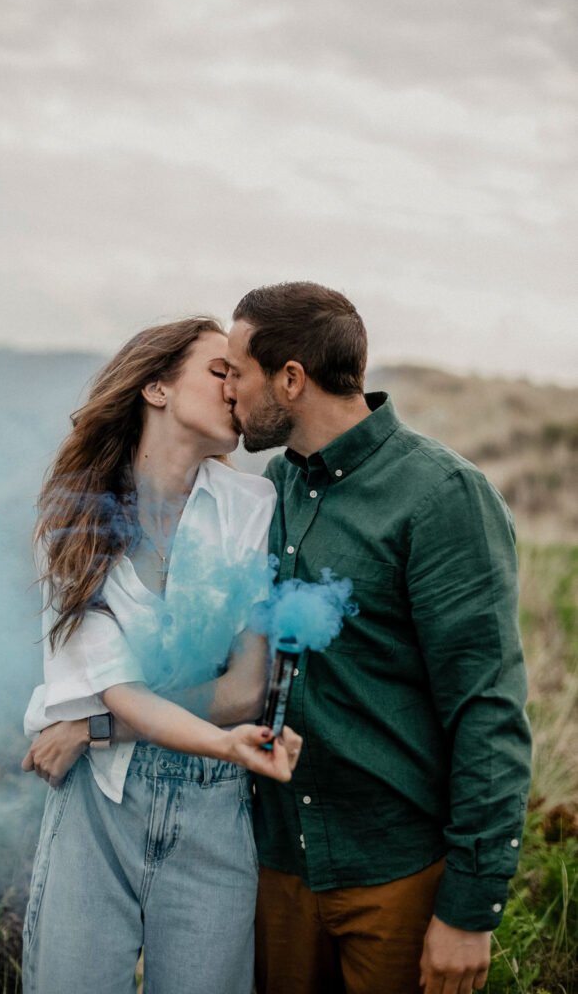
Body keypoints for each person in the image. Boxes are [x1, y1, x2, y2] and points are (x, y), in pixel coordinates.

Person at [223, 281, 532, 994]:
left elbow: (486, 707)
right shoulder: (277, 484)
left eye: (237, 371)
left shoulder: (442, 495)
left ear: (291, 379)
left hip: (394, 874)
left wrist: (469, 911)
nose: (228, 389)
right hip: (278, 866)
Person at [20, 316, 302, 994]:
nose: (235, 389)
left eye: (238, 375)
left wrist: (90, 729)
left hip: (213, 805)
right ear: (156, 388)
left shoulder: (252, 504)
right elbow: (123, 692)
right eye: (219, 371)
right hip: (98, 802)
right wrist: (215, 737)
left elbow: (244, 691)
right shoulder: (75, 522)